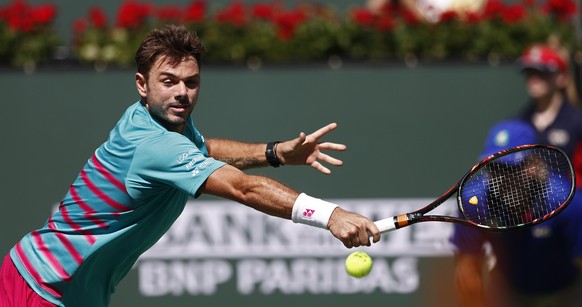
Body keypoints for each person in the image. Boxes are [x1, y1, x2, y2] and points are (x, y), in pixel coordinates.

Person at [0, 24, 381, 307]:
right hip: (41, 287)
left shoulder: (161, 121)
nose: (182, 92)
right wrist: (331, 216)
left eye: (191, 82)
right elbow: (241, 187)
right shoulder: (152, 144)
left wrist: (275, 152)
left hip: (70, 291)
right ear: (141, 84)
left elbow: (205, 150)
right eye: (169, 81)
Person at [451, 43, 582, 307]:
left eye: (510, 168)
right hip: (509, 287)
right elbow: (466, 265)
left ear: (534, 166)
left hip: (564, 286)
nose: (502, 178)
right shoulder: (475, 202)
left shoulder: (567, 203)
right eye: (496, 167)